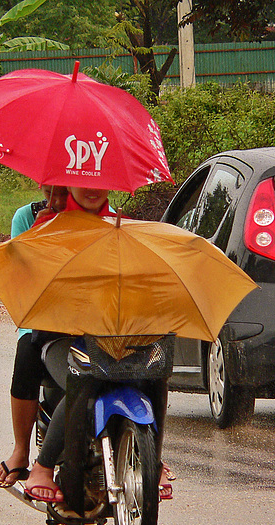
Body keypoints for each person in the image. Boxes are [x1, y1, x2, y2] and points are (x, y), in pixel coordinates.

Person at [21, 186, 174, 503]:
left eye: (99, 183)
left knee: (156, 374)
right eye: (84, 183)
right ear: (70, 183)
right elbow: (34, 279)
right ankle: (42, 467)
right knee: (83, 378)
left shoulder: (125, 227)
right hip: (60, 337)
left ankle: (152, 461)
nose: (92, 190)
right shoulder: (49, 227)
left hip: (113, 337)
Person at [0, 185, 68, 490]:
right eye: (51, 192)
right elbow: (21, 277)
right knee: (27, 351)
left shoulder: (104, 217)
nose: (58, 200)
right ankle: (21, 451)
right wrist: (40, 234)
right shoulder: (27, 217)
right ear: (41, 186)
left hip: (88, 321)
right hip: (41, 318)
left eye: (65, 193)